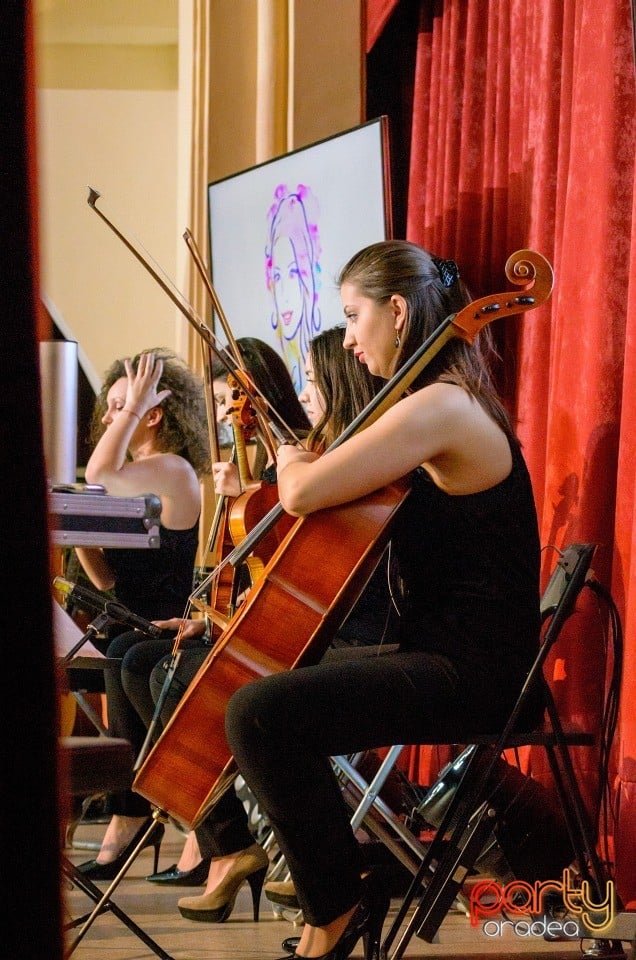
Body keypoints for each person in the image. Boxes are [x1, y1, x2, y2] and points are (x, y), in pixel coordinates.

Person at [223, 239, 544, 960]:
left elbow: (305, 491)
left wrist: (289, 454)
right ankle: (328, 909)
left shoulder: (442, 406)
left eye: (353, 316)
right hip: (439, 653)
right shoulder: (436, 402)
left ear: (397, 311)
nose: (349, 340)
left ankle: (337, 911)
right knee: (257, 689)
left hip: (477, 673)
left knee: (261, 713)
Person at [145, 326, 393, 928]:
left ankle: (306, 861)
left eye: (313, 379)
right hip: (318, 626)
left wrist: (275, 478)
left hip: (355, 635)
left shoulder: (343, 463)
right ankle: (247, 849)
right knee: (160, 669)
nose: (306, 393)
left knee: (231, 699)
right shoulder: (325, 453)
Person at [75, 347, 211, 880]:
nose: (109, 418)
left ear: (152, 413)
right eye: (111, 409)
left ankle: (133, 816)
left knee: (124, 654)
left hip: (163, 625)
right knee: (116, 651)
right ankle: (128, 815)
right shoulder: (140, 474)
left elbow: (99, 470)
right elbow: (114, 583)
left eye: (120, 407)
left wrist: (132, 405)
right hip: (132, 622)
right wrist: (84, 543)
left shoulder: (173, 469)